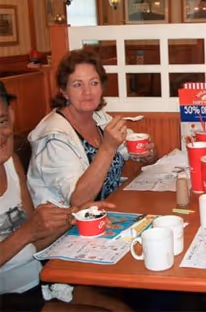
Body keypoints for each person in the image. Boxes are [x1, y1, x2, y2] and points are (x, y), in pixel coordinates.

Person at [0, 81, 131, 312]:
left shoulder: (9, 162)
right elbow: (29, 232)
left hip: (43, 278)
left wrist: (74, 216)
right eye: (77, 84)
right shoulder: (53, 133)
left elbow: (38, 239)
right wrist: (27, 232)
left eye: (1, 121)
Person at [27, 49, 157, 208]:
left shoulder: (100, 118)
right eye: (77, 84)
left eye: (93, 83)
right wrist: (108, 147)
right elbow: (78, 201)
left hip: (110, 213)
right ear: (64, 92)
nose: (87, 92)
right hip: (68, 226)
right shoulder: (53, 136)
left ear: (101, 87)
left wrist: (148, 153)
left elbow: (133, 149)